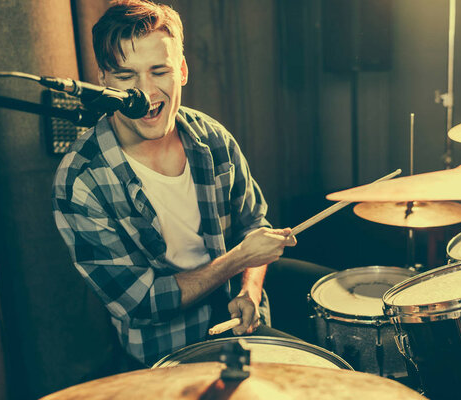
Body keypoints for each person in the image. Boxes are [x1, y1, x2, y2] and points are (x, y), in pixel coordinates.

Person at [52, 0, 300, 368]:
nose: (146, 92)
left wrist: (249, 289)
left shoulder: (212, 138)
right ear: (103, 80)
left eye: (159, 71)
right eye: (126, 77)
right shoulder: (80, 181)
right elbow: (141, 302)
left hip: (242, 331)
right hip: (162, 355)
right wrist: (237, 260)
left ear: (182, 70)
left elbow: (254, 225)